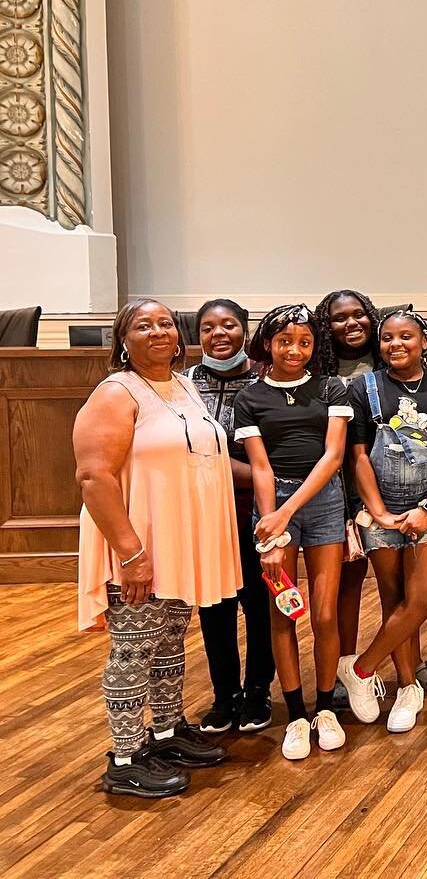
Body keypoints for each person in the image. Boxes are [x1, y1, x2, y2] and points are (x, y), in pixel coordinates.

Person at [76, 299, 237, 797]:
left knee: (168, 642)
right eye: (143, 326)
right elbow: (93, 476)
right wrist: (130, 552)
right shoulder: (116, 392)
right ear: (123, 340)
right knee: (133, 650)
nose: (158, 332)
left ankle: (166, 732)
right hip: (138, 542)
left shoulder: (183, 383)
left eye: (165, 323)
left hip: (179, 540)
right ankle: (124, 757)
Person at [335, 311, 427, 734]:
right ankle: (407, 688)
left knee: (425, 596)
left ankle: (361, 669)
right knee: (396, 600)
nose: (397, 344)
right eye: (388, 338)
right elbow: (357, 455)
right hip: (382, 506)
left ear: (425, 341)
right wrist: (377, 511)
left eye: (406, 337)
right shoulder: (365, 388)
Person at [233, 304, 352, 761]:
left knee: (324, 615)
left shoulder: (331, 387)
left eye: (304, 342)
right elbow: (260, 467)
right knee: (282, 611)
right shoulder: (250, 397)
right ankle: (296, 716)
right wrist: (271, 526)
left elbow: (333, 457)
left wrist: (288, 512)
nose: (295, 350)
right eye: (285, 342)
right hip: (272, 507)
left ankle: (325, 709)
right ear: (268, 343)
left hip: (321, 501)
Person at [184, 299, 274, 734]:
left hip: (259, 513)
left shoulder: (266, 378)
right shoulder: (182, 385)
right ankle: (224, 696)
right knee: (214, 608)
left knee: (260, 606)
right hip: (206, 514)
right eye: (207, 327)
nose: (218, 334)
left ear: (245, 330)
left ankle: (258, 691)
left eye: (229, 325)